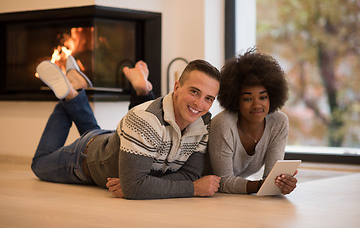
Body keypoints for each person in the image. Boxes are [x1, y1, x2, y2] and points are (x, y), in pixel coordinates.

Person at [31, 55, 221, 200]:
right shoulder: (144, 120)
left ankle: (75, 88)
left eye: (208, 98)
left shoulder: (203, 123)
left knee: (104, 135)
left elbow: (189, 174)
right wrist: (194, 188)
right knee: (39, 164)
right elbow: (137, 186)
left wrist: (144, 184)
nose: (199, 104)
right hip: (84, 158)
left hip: (113, 144)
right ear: (177, 87)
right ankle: (69, 94)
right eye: (194, 92)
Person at [207, 48, 298, 195]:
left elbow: (271, 179)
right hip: (201, 194)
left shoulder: (278, 122)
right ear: (236, 101)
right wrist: (262, 186)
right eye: (248, 99)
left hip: (230, 198)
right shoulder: (223, 123)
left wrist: (282, 184)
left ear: (272, 97)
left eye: (263, 97)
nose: (257, 105)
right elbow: (223, 181)